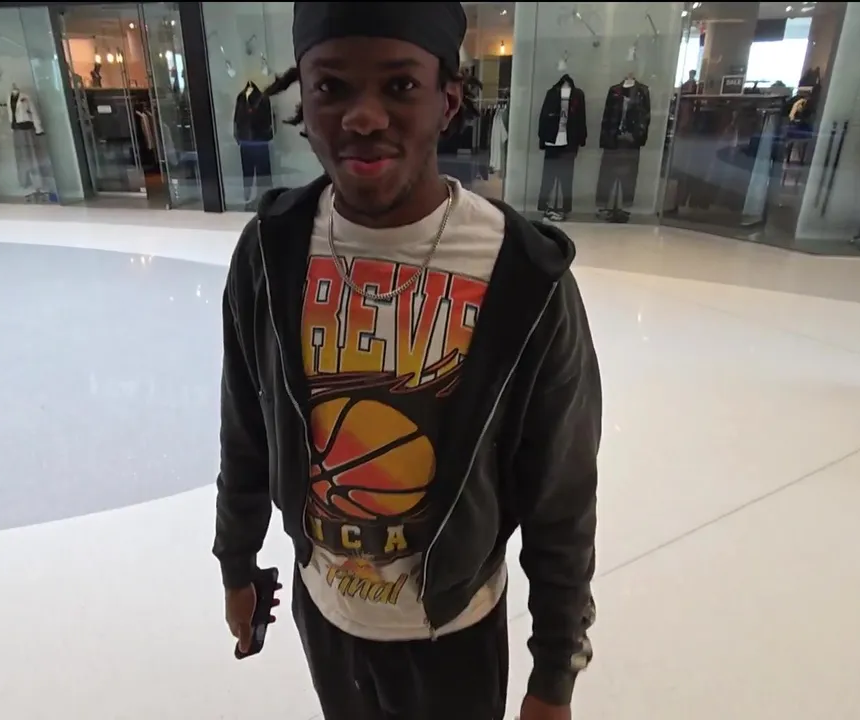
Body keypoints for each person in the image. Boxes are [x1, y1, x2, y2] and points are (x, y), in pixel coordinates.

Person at [213, 4, 601, 720]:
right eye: (332, 88)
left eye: (399, 86)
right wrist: (236, 561)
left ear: (448, 100)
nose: (363, 117)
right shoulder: (271, 250)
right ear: (303, 99)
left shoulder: (523, 275)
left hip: (453, 630)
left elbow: (562, 497)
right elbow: (246, 431)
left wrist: (555, 674)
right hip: (325, 613)